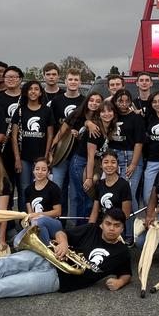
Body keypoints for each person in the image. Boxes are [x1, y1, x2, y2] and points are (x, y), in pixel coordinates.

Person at [0, 209, 132, 305]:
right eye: (108, 224)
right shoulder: (91, 229)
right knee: (4, 264)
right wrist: (63, 243)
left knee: (6, 286)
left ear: (122, 228)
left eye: (117, 226)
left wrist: (120, 282)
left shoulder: (121, 252)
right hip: (48, 257)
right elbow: (62, 233)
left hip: (59, 280)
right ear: (102, 223)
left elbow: (126, 273)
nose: (111, 229)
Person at [62, 92, 103, 220]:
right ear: (86, 101)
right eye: (91, 100)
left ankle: (85, 225)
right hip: (78, 160)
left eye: (98, 101)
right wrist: (51, 153)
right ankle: (79, 226)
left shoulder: (101, 118)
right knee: (81, 195)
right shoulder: (77, 114)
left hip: (95, 161)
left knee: (89, 195)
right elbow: (60, 133)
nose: (94, 103)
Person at [12, 80, 55, 202]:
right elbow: (14, 137)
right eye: (30, 89)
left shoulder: (47, 111)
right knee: (24, 188)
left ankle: (37, 217)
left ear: (41, 92)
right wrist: (17, 159)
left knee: (40, 187)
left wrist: (46, 156)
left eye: (36, 89)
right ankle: (23, 218)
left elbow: (50, 135)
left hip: (41, 157)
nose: (33, 91)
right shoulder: (20, 110)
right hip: (24, 158)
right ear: (26, 92)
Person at [48, 68, 85, 206]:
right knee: (57, 188)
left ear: (80, 82)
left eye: (76, 79)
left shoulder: (84, 101)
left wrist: (80, 134)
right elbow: (52, 127)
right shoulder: (57, 101)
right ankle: (59, 222)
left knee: (75, 192)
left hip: (78, 152)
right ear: (65, 81)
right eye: (70, 79)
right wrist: (51, 150)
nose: (73, 82)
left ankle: (74, 225)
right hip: (60, 151)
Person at [110, 89, 145, 215]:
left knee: (128, 193)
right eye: (120, 101)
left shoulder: (136, 117)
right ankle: (120, 227)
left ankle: (133, 230)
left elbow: (139, 142)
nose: (124, 104)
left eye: (127, 101)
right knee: (117, 193)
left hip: (131, 157)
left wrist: (134, 164)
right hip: (114, 158)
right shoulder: (111, 115)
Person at [0, 64, 23, 203]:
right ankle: (7, 218)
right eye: (8, 77)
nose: (11, 79)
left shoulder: (26, 97)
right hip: (3, 149)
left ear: (20, 79)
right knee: (5, 185)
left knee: (23, 186)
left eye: (14, 77)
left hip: (24, 148)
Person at [89, 151, 132, 224]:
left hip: (115, 226)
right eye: (106, 162)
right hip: (100, 225)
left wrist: (109, 225)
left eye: (113, 162)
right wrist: (90, 227)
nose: (109, 165)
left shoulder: (124, 185)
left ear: (117, 165)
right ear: (101, 165)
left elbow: (126, 215)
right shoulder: (99, 184)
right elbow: (94, 212)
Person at [24, 157, 63, 222]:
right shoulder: (28, 190)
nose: (40, 172)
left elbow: (58, 212)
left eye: (44, 170)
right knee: (22, 232)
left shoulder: (54, 188)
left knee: (40, 222)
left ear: (48, 172)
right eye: (37, 169)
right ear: (33, 171)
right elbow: (30, 213)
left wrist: (38, 215)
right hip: (35, 223)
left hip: (52, 222)